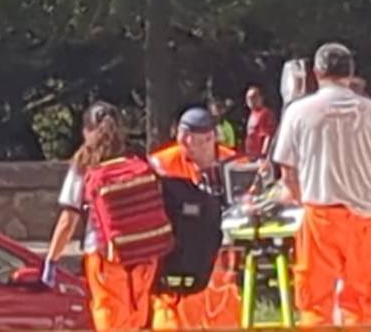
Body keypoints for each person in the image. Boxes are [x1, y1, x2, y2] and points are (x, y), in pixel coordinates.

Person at [271, 42, 371, 327]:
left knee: (315, 300)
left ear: (316, 73)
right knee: (361, 300)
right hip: (366, 218)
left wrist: (298, 197)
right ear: (351, 72)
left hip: (321, 215)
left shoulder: (299, 111)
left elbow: (287, 171)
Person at [46, 102, 157, 330]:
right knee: (137, 320)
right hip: (144, 255)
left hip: (105, 255)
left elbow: (69, 219)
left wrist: (51, 259)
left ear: (87, 131)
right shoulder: (138, 158)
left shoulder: (84, 163)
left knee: (109, 318)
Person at [149, 107, 241, 329]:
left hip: (222, 247)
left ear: (210, 138)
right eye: (182, 139)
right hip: (180, 248)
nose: (185, 146)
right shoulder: (162, 164)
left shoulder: (234, 163)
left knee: (223, 303)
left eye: (191, 140)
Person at [244, 86, 277, 159]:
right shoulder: (252, 114)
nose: (250, 100)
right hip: (251, 156)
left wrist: (263, 157)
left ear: (261, 98)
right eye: (248, 98)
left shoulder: (266, 113)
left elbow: (268, 136)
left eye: (253, 97)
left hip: (260, 157)